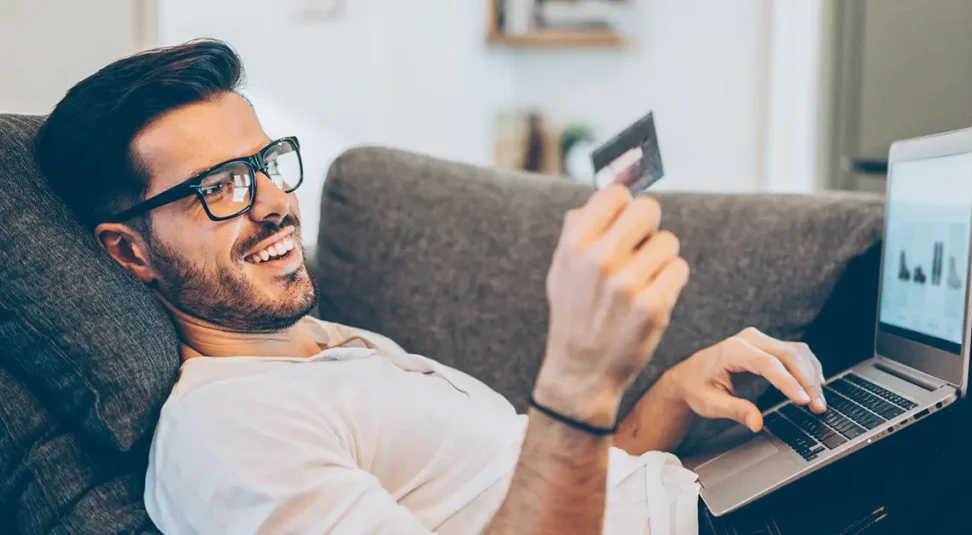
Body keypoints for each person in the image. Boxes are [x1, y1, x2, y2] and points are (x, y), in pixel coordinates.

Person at [36, 40, 830, 534]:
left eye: (266, 164)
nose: (275, 202)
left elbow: (560, 487)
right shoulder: (225, 431)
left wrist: (674, 395)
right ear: (129, 252)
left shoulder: (325, 348)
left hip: (709, 495)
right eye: (221, 187)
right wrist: (577, 380)